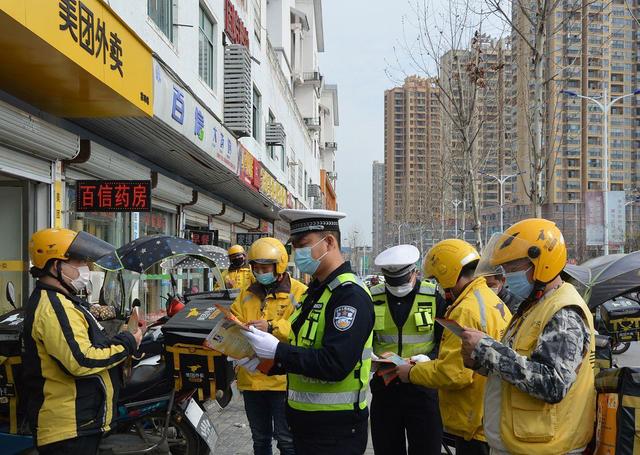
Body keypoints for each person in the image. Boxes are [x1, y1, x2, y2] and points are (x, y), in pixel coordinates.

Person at [241, 209, 375, 455]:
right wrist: (263, 361)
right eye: (294, 246)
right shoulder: (316, 292)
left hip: (335, 431)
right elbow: (302, 350)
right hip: (307, 426)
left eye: (303, 245)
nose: (298, 253)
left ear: (330, 242)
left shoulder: (348, 295)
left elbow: (335, 363)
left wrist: (278, 350)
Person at [460, 218, 595, 455]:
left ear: (541, 263)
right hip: (523, 443)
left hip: (548, 447)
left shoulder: (563, 311)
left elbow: (552, 384)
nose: (510, 276)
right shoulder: (534, 306)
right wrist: (479, 360)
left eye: (514, 269)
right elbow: (517, 363)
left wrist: (487, 350)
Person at [22, 228, 143, 455]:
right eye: (78, 261)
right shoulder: (54, 307)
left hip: (80, 424)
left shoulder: (66, 301)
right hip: (67, 430)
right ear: (55, 265)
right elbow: (82, 359)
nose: (85, 268)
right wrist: (127, 342)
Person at [395, 239, 511, 455]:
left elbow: (454, 374)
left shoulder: (465, 310)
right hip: (491, 417)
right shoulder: (491, 300)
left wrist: (411, 372)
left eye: (438, 280)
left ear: (448, 273)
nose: (440, 286)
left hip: (474, 424)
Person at [230, 237, 307, 455]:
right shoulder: (246, 293)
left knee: (286, 440)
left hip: (282, 382)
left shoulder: (299, 292)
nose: (260, 272)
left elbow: (302, 329)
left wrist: (271, 327)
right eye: (256, 268)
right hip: (251, 380)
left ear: (280, 265)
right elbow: (234, 319)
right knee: (260, 439)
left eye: (265, 268)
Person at [369, 244, 445, 455]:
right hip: (385, 389)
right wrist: (370, 357)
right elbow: (361, 342)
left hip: (423, 389)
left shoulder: (433, 298)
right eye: (391, 281)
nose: (397, 285)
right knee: (387, 449)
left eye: (401, 279)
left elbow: (445, 343)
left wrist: (429, 358)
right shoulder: (372, 297)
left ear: (414, 272)